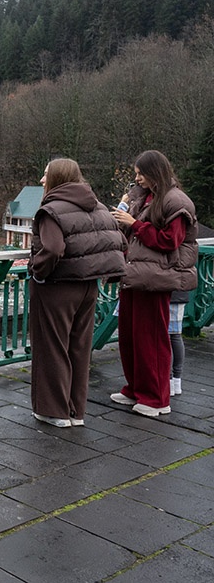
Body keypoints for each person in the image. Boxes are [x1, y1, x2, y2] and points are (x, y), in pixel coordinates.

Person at [28, 158, 125, 428]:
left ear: (57, 178)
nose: (42, 180)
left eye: (45, 175)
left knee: (52, 347)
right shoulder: (98, 206)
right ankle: (76, 411)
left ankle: (54, 411)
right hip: (89, 287)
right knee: (79, 348)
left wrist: (37, 270)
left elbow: (53, 249)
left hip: (57, 288)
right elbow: (117, 240)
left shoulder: (51, 210)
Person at [110, 150, 198, 417]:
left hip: (156, 277)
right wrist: (125, 212)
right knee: (130, 336)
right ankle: (136, 388)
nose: (137, 178)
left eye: (140, 174)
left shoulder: (175, 201)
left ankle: (157, 399)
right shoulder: (145, 197)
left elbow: (169, 241)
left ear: (154, 173)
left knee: (152, 338)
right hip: (136, 274)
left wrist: (135, 224)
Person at [169, 289, 191, 396]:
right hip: (180, 294)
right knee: (176, 336)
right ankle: (176, 381)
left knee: (165, 338)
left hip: (166, 293)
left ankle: (168, 380)